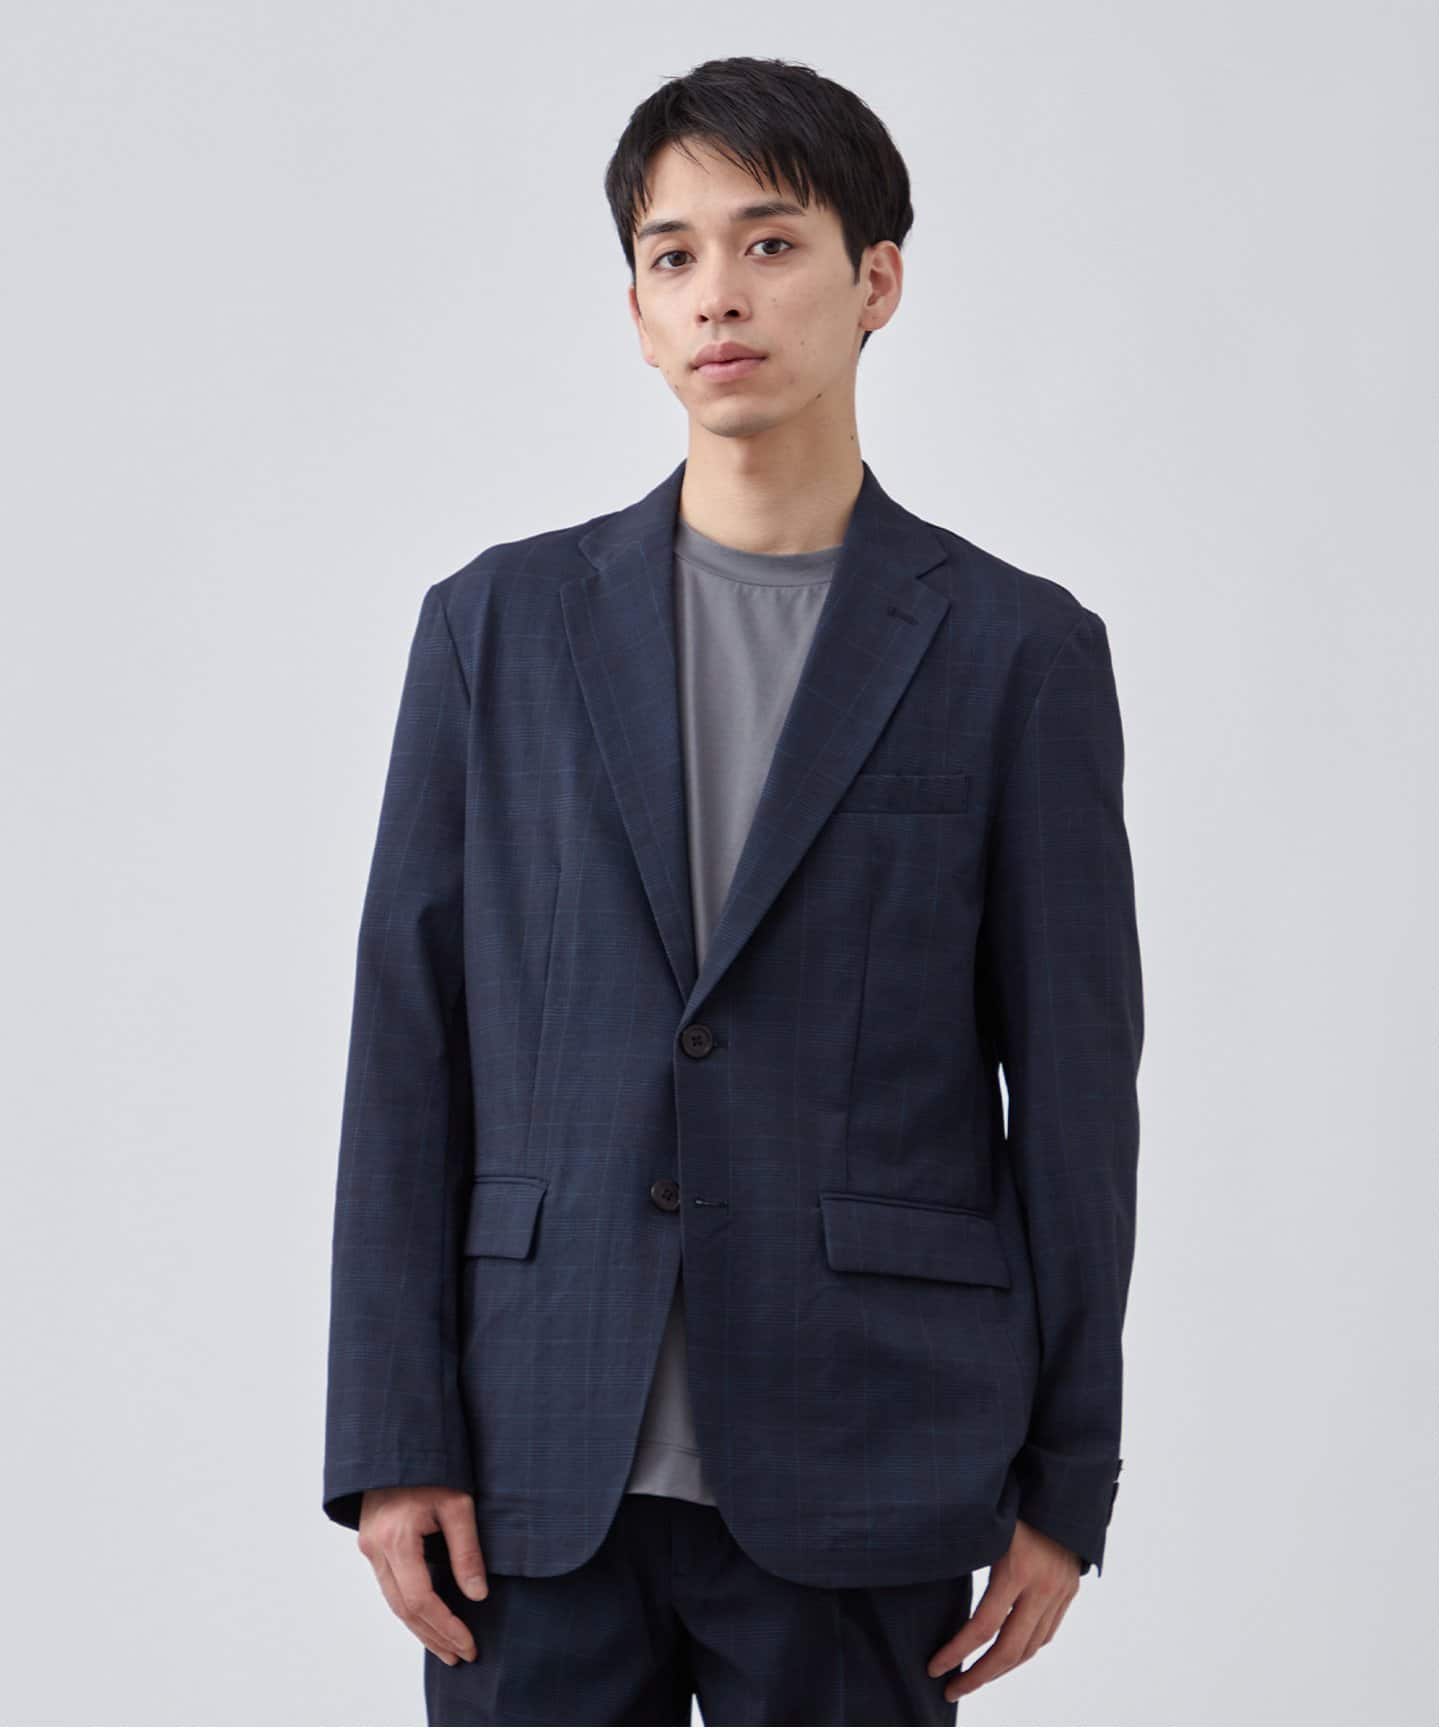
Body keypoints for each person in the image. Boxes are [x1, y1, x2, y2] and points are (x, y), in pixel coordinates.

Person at [322, 54, 1144, 1727]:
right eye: (674, 254)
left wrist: (1070, 1477)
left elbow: (1073, 1095)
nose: (719, 294)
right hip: (532, 1458)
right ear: (636, 311)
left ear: (876, 281)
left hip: (870, 1454)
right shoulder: (496, 629)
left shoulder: (1016, 653)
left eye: (771, 244)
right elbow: (409, 1048)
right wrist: (390, 1436)